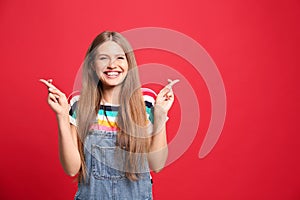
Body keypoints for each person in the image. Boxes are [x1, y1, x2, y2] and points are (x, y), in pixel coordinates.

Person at [40, 31, 179, 199]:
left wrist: (160, 115)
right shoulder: (79, 104)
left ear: (129, 64)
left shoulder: (146, 102)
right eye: (103, 58)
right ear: (92, 64)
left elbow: (156, 165)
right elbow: (71, 169)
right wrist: (62, 116)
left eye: (120, 58)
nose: (112, 64)